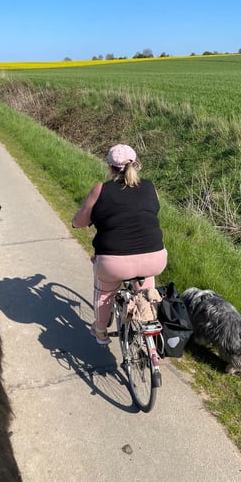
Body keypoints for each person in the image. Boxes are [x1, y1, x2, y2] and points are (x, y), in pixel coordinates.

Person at [72, 144, 168, 344]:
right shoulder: (149, 186)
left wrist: (76, 222)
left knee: (105, 291)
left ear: (110, 167)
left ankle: (100, 330)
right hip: (155, 258)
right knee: (144, 285)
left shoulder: (101, 189)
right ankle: (149, 324)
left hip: (113, 262)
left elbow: (80, 222)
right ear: (135, 164)